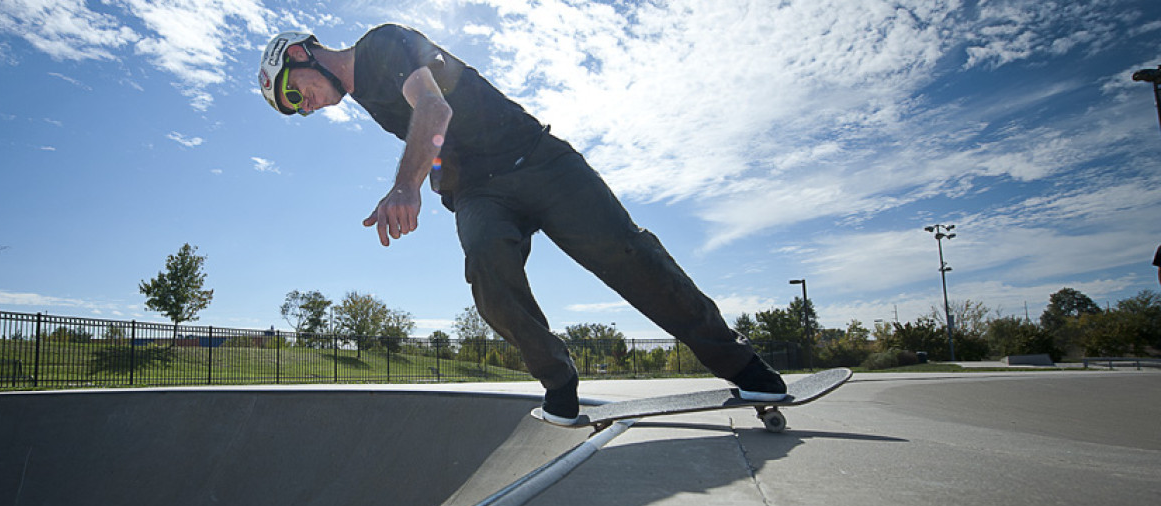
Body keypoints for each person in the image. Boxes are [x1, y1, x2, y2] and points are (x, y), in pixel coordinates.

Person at [257, 24, 787, 425]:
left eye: (296, 95)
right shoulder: (369, 101)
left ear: (301, 54)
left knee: (627, 256)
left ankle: (744, 369)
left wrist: (405, 187)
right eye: (296, 111)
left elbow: (434, 112)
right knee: (487, 266)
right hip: (478, 192)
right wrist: (431, 181)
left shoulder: (381, 46)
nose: (308, 109)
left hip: (538, 161)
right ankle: (559, 381)